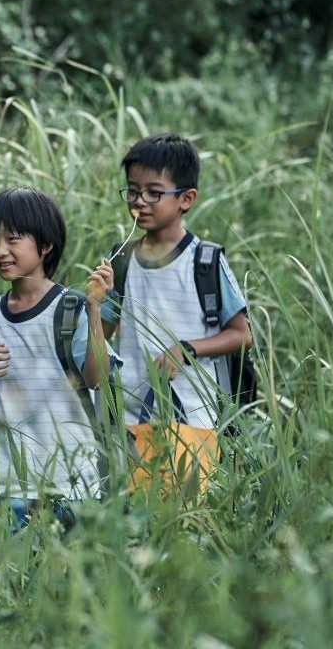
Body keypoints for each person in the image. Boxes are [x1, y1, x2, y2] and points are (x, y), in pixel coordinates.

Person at [103, 133, 253, 498]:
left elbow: (242, 334)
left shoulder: (204, 261)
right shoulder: (122, 259)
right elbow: (104, 331)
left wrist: (185, 349)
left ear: (186, 198)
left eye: (154, 192)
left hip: (195, 419)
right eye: (133, 191)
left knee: (185, 524)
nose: (140, 202)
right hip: (131, 417)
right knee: (137, 521)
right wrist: (96, 299)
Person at [0, 187, 115, 541]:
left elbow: (97, 379)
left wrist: (94, 309)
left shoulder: (71, 308)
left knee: (61, 588)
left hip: (68, 481)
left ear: (45, 245)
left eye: (13, 239)